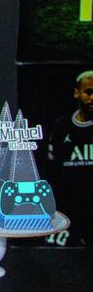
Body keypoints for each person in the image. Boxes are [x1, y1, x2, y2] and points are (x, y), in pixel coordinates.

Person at [45, 69, 93, 247]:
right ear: (77, 93)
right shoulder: (60, 127)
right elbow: (52, 172)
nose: (92, 98)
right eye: (89, 92)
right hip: (69, 212)